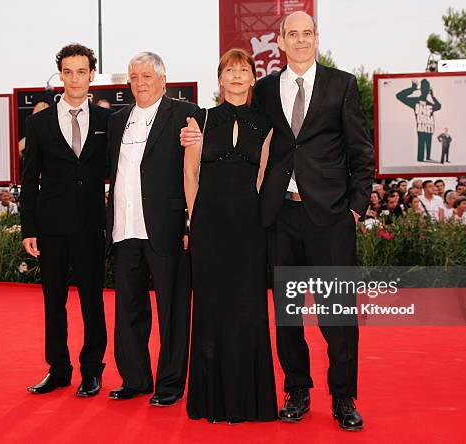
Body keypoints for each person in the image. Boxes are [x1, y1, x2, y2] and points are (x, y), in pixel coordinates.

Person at [183, 11, 373, 430]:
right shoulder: (265, 89)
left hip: (330, 216)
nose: (301, 40)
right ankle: (297, 390)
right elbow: (230, 123)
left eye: (308, 33)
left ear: (316, 38)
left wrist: (356, 209)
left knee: (336, 313)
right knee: (288, 312)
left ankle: (343, 397)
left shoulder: (342, 84)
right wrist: (191, 134)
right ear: (281, 42)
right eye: (293, 34)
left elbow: (361, 151)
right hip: (278, 215)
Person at [183, 49, 277, 423]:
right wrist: (195, 220)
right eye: (229, 70)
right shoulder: (199, 120)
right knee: (210, 309)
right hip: (209, 225)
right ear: (220, 79)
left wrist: (254, 218)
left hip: (249, 227)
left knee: (248, 308)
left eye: (243, 70)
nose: (237, 76)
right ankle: (212, 401)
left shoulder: (266, 124)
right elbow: (190, 175)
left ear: (253, 79)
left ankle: (247, 402)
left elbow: (262, 176)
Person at [20, 44, 112, 397]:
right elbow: (29, 180)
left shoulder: (108, 120)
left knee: (92, 301)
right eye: (68, 71)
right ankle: (58, 369)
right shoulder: (38, 122)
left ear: (92, 75)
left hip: (91, 225)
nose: (75, 78)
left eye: (82, 71)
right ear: (61, 74)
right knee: (53, 301)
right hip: (51, 226)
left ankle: (92, 371)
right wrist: (29, 228)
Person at [105, 52, 197, 407]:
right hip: (124, 228)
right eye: (133, 77)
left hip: (167, 228)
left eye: (146, 76)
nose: (140, 82)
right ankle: (135, 379)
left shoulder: (185, 113)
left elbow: (194, 172)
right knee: (128, 308)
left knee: (172, 310)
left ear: (163, 79)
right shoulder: (117, 120)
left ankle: (170, 384)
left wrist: (191, 221)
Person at [396, 79, 441, 162]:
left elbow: (439, 106)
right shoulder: (415, 101)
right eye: (424, 88)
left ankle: (428, 157)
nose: (425, 90)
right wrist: (412, 89)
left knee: (428, 143)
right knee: (421, 144)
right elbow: (399, 96)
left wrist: (433, 96)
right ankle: (421, 158)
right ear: (421, 89)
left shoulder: (429, 104)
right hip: (421, 127)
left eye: (426, 88)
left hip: (429, 128)